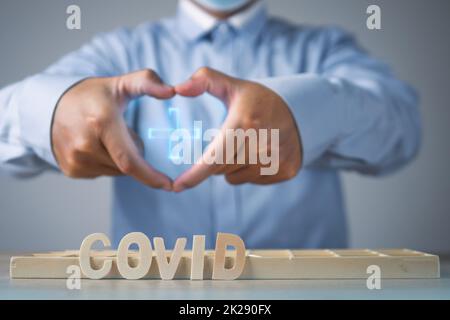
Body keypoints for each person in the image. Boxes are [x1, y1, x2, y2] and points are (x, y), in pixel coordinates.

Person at [0, 0, 420, 249]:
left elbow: (403, 132)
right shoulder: (118, 52)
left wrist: (312, 108)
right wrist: (54, 110)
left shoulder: (325, 50)